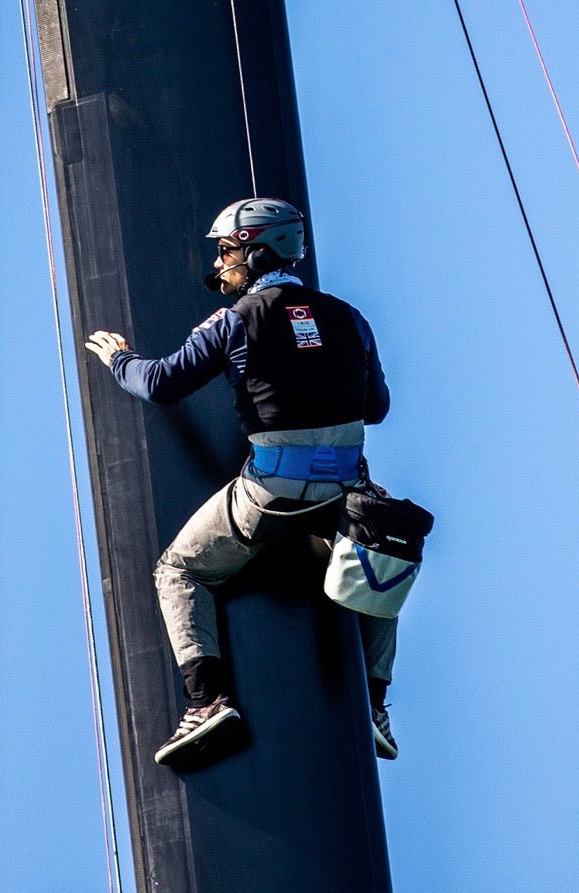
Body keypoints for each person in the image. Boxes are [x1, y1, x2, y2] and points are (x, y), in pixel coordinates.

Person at [85, 197, 399, 766]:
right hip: (343, 497)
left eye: (227, 251)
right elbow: (376, 407)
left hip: (270, 497)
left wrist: (120, 359)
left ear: (255, 251)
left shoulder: (234, 320)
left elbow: (161, 383)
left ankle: (207, 703)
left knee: (177, 569)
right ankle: (374, 705)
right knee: (379, 567)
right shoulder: (351, 317)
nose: (221, 265)